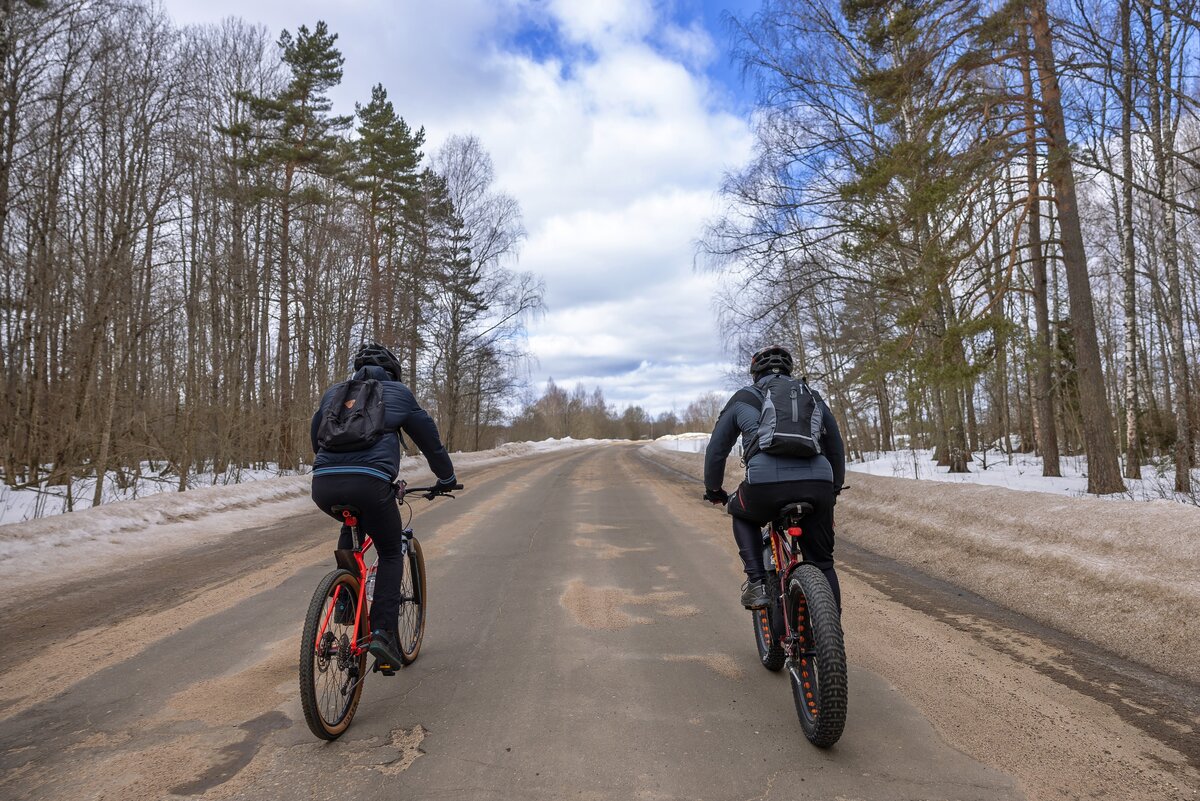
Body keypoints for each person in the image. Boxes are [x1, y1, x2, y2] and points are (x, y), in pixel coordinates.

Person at [310, 342, 458, 672]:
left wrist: (328, 467)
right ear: (393, 372)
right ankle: (383, 633)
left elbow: (315, 434)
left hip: (323, 484)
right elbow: (430, 442)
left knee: (351, 523)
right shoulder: (398, 394)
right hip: (372, 484)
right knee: (391, 550)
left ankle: (346, 603)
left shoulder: (334, 393)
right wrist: (446, 477)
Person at [702, 345, 846, 611]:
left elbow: (716, 450)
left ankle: (756, 582)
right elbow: (835, 445)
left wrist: (714, 490)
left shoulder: (744, 398)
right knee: (823, 563)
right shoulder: (811, 395)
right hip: (819, 484)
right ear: (789, 371)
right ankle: (832, 641)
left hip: (765, 486)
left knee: (741, 512)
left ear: (756, 372)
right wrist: (833, 489)